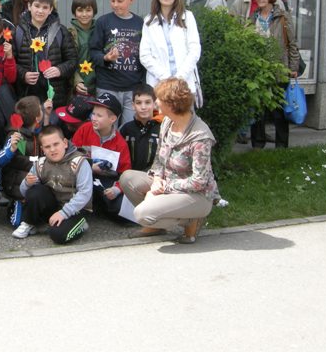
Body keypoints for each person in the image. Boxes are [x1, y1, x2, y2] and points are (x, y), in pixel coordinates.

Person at [119, 78, 219, 243]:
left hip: (196, 194)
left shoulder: (200, 137)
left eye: (159, 99)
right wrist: (157, 179)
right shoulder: (167, 122)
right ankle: (157, 226)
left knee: (142, 214)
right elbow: (159, 158)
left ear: (172, 105)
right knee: (128, 178)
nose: (156, 102)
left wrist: (164, 188)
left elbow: (199, 182)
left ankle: (191, 220)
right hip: (167, 182)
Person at [12, 126, 93, 244]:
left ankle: (81, 224)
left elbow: (85, 193)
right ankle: (29, 223)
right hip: (54, 206)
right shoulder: (40, 163)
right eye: (47, 147)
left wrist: (64, 213)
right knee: (35, 190)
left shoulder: (79, 162)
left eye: (56, 144)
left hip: (75, 210)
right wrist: (27, 183)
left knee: (58, 235)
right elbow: (25, 193)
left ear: (65, 143)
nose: (52, 149)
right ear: (42, 149)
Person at [250, 0, 301, 149]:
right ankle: (257, 144)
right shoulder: (254, 17)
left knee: (279, 110)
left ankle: (281, 146)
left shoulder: (283, 17)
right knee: (258, 109)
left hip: (279, 69)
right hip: (259, 70)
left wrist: (293, 68)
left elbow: (292, 43)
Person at [90, 0, 145, 125]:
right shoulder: (103, 22)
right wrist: (105, 58)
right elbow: (93, 51)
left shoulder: (140, 23)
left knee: (129, 127)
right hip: (107, 86)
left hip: (132, 87)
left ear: (131, 0)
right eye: (112, 0)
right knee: (107, 127)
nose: (115, 4)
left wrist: (142, 84)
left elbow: (145, 55)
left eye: (120, 1)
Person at [139, 0, 202, 103]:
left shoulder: (187, 17)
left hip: (184, 85)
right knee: (159, 116)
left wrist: (179, 78)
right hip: (159, 85)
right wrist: (166, 78)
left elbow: (194, 50)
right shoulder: (149, 20)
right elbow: (145, 55)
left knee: (185, 116)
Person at [14, 0, 77, 108]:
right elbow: (11, 62)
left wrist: (60, 70)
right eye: (37, 6)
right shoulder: (18, 32)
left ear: (50, 9)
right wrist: (23, 74)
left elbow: (73, 61)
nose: (40, 11)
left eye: (45, 7)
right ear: (29, 6)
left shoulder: (61, 31)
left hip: (55, 96)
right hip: (27, 94)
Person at [71, 93, 131, 217]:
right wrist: (89, 166)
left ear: (112, 119)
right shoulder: (84, 129)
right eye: (93, 113)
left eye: (99, 115)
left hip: (107, 180)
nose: (94, 118)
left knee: (117, 209)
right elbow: (71, 155)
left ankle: (100, 205)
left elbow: (125, 173)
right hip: (83, 176)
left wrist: (117, 189)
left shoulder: (120, 143)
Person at [0, 95, 53, 226]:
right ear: (37, 118)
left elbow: (47, 136)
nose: (42, 109)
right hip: (16, 182)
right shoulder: (15, 135)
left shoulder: (36, 131)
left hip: (34, 176)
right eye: (40, 109)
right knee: (18, 222)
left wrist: (47, 116)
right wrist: (38, 160)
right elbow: (7, 160)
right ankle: (16, 203)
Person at [119, 84, 161, 172]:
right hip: (129, 176)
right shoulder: (126, 129)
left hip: (154, 176)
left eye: (147, 102)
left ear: (154, 104)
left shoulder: (162, 128)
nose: (143, 107)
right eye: (138, 103)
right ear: (133, 105)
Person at [68, 0, 97, 97]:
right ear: (74, 12)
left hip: (98, 85)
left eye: (88, 10)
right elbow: (68, 61)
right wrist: (77, 81)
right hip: (77, 86)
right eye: (80, 10)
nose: (84, 14)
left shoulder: (100, 30)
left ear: (94, 11)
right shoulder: (69, 33)